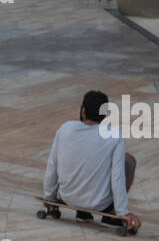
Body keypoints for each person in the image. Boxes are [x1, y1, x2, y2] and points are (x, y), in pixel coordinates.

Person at [43, 90, 141, 233]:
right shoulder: (114, 136)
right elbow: (117, 176)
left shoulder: (65, 128)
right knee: (129, 160)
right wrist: (122, 212)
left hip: (68, 197)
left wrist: (49, 197)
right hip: (99, 204)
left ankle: (82, 213)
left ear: (83, 111)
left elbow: (52, 164)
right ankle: (111, 215)